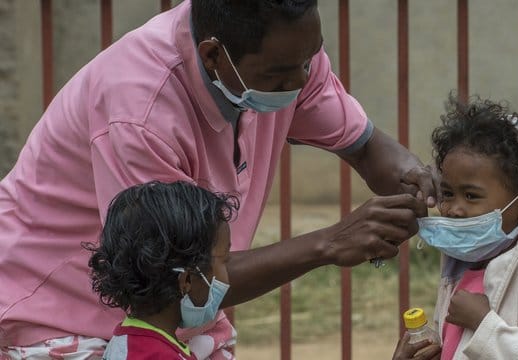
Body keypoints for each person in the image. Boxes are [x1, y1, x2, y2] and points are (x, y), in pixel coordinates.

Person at [0, 1, 437, 358]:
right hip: (60, 312)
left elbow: (362, 144)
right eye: (282, 74)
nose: (302, 81)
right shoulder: (141, 112)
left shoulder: (285, 55)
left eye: (309, 61)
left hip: (175, 321)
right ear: (212, 55)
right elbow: (172, 279)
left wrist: (417, 182)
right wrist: (329, 243)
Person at [407, 94, 518, 359]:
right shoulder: (464, 266)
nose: (454, 209)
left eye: (471, 196)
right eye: (448, 194)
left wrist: (484, 323)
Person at [85, 181, 237, 359]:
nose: (226, 275)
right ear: (186, 280)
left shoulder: (136, 343)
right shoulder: (154, 354)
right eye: (224, 260)